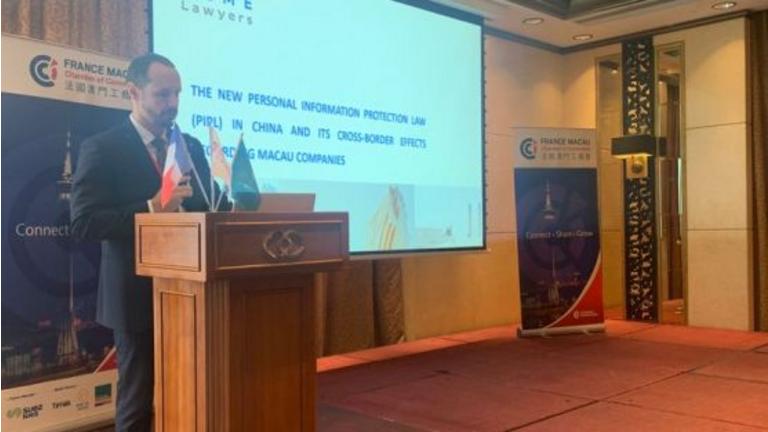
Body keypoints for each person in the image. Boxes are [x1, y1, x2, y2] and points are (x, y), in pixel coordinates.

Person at [70, 53, 227, 431]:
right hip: (135, 295)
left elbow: (209, 205)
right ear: (133, 92)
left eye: (177, 94)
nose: (172, 104)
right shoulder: (103, 148)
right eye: (162, 95)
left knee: (192, 392)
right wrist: (152, 208)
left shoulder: (188, 145)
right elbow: (85, 223)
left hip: (193, 294)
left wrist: (237, 204)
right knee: (137, 401)